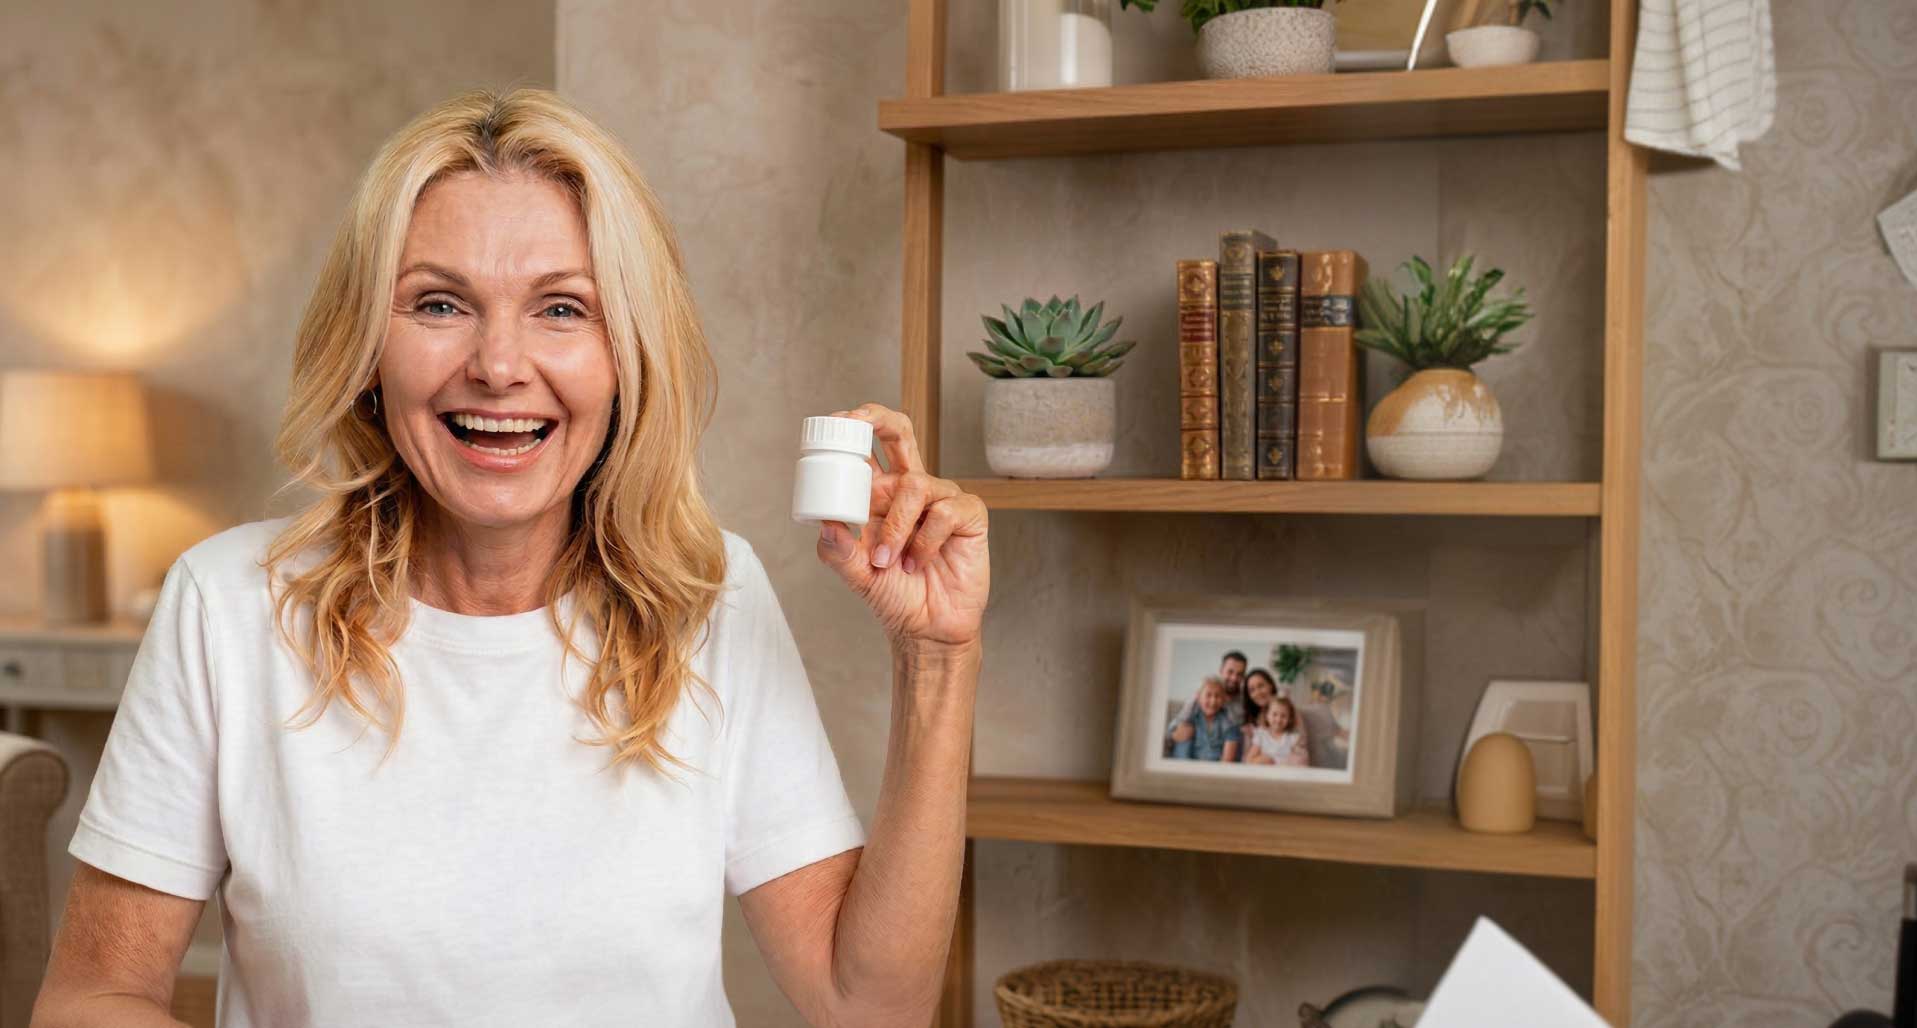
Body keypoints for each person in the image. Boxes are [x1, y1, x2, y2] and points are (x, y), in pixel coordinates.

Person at [31, 89, 990, 1028]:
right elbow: (89, 999)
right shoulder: (229, 604)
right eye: (439, 303)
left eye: (562, 309)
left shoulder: (712, 596)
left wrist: (938, 657)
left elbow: (871, 1005)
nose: (497, 365)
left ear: (627, 358)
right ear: (366, 350)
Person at [1165, 650, 1250, 749]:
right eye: (1230, 672)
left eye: (1240, 674)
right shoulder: (1203, 694)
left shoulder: (1246, 701)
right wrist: (1175, 733)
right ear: (1221, 670)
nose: (1234, 678)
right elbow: (1176, 723)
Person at [1168, 676, 1240, 762]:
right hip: (1190, 764)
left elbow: (1227, 760)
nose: (1213, 701)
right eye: (1208, 695)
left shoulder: (1228, 722)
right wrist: (1177, 732)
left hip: (1215, 766)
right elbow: (1172, 730)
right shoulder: (1191, 714)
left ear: (1223, 699)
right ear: (1199, 697)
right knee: (1185, 728)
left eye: (1218, 696)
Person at [1244, 695, 1311, 768]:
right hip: (1264, 772)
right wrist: (1262, 760)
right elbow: (1249, 760)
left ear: (1289, 719)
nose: (1278, 719)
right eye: (1274, 714)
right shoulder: (1261, 734)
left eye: (1283, 716)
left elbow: (1300, 761)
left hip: (1284, 772)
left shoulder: (1292, 738)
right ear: (1267, 715)